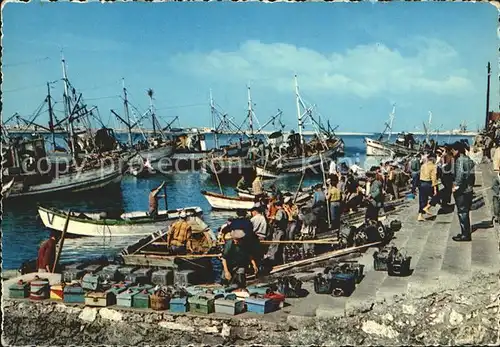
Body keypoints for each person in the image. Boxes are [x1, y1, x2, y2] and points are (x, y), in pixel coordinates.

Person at [451, 141, 475, 242]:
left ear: (457, 150)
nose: (451, 152)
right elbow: (472, 175)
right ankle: (466, 232)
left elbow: (460, 175)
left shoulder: (460, 160)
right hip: (469, 189)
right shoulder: (469, 159)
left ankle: (465, 234)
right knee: (465, 211)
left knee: (462, 212)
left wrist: (455, 186)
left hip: (462, 190)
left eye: (452, 150)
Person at [418, 153, 438, 221]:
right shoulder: (433, 166)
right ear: (433, 159)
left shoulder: (423, 165)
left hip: (421, 183)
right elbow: (434, 178)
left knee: (422, 200)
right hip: (428, 183)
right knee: (436, 197)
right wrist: (435, 188)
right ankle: (427, 207)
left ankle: (420, 215)